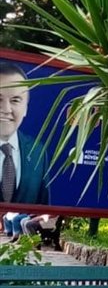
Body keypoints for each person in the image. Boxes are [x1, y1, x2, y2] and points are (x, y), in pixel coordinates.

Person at [0, 60, 50, 206]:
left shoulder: (37, 152)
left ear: (26, 108)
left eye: (15, 100)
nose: (6, 109)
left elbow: (43, 207)